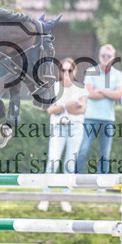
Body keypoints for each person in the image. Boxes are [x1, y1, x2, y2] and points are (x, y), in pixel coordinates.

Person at [40, 58, 87, 212]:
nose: (66, 73)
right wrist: (68, 106)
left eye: (69, 70)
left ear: (75, 72)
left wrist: (61, 107)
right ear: (59, 72)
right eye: (63, 70)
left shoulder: (81, 88)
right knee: (52, 162)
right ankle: (45, 197)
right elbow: (50, 110)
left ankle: (65, 198)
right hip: (58, 127)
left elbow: (81, 109)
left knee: (69, 164)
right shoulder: (54, 87)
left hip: (75, 127)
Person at [75, 44, 122, 174]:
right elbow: (90, 94)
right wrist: (110, 93)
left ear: (113, 58)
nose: (105, 58)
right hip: (90, 118)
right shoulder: (91, 72)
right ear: (99, 56)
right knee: (83, 150)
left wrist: (101, 90)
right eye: (103, 55)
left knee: (105, 154)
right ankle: (77, 180)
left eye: (108, 56)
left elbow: (119, 95)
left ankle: (101, 183)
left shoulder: (118, 75)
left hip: (108, 119)